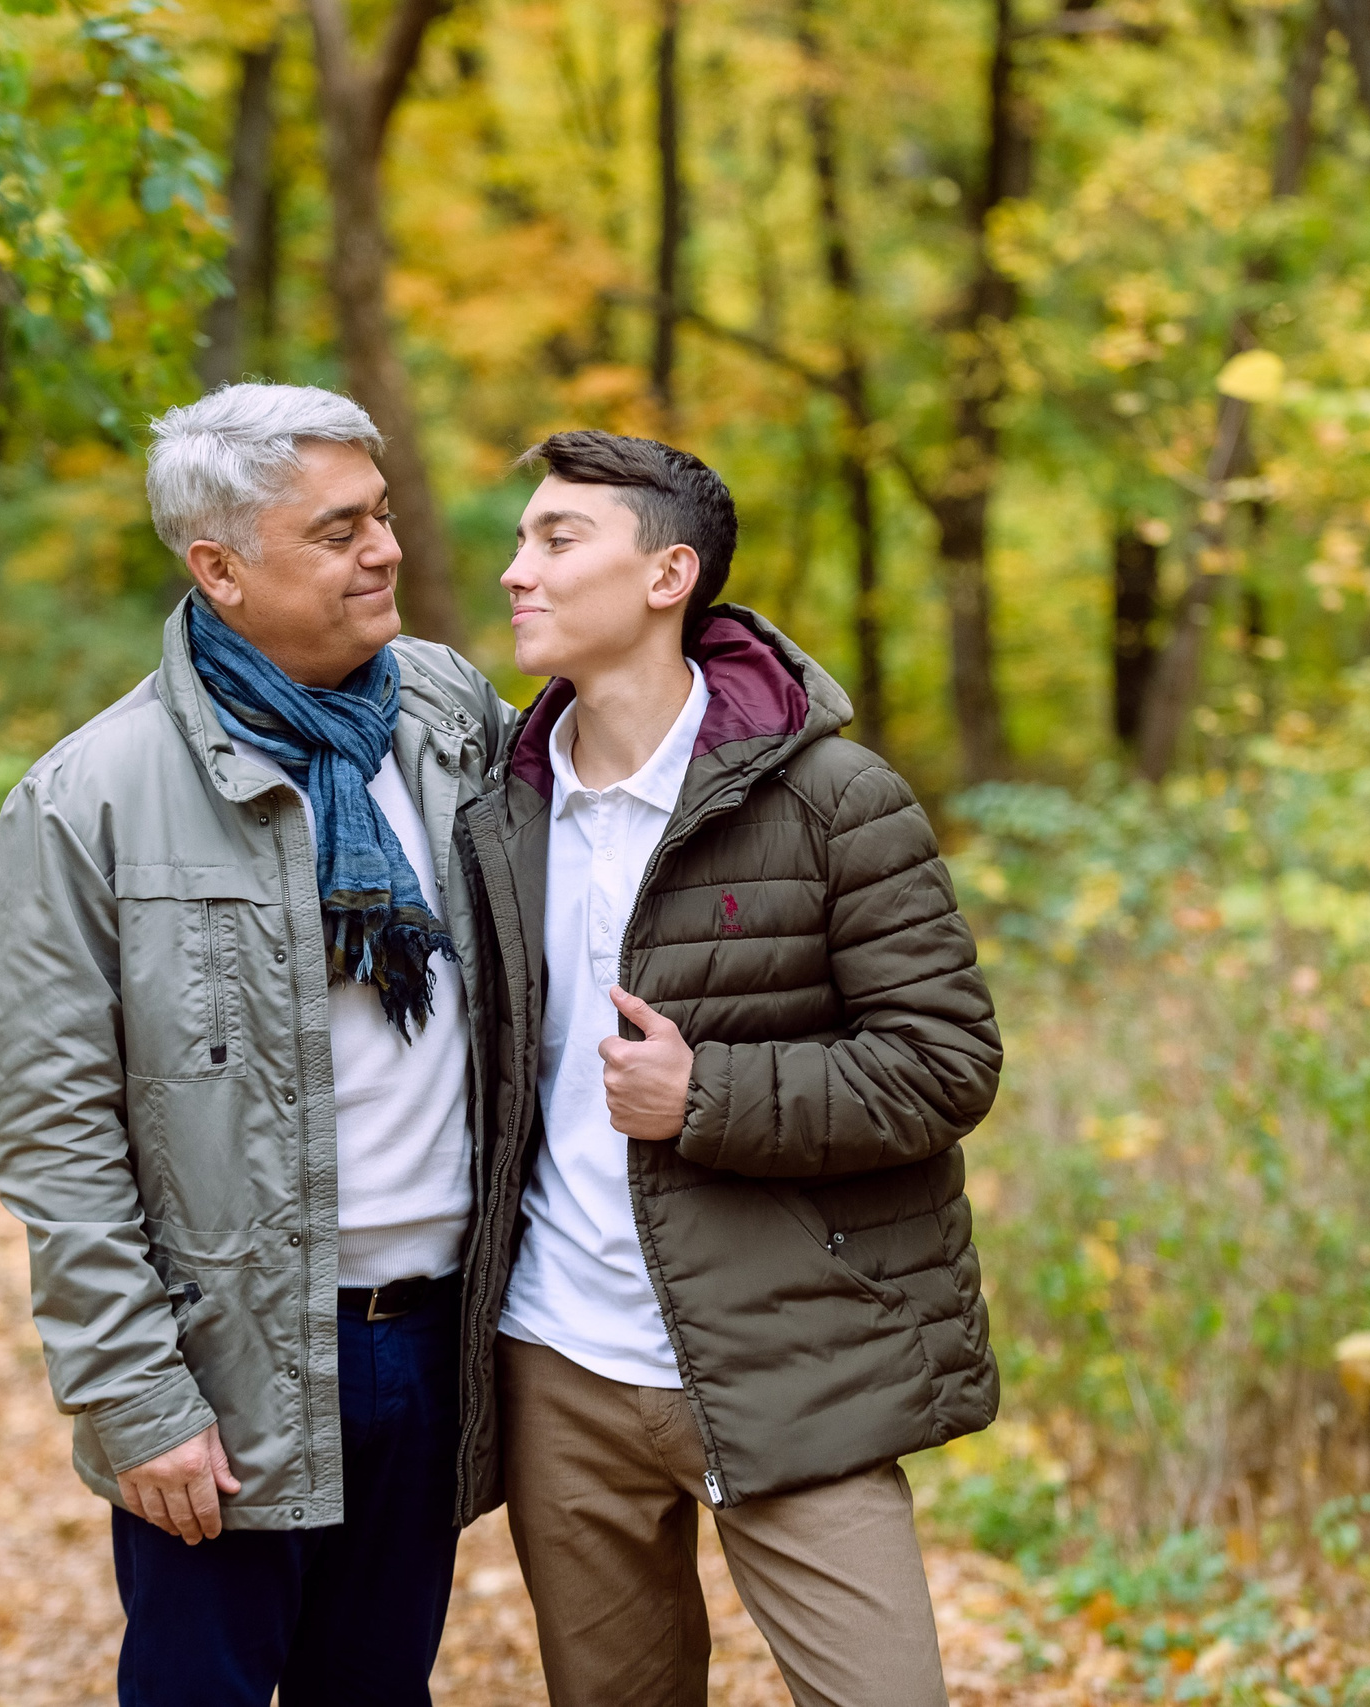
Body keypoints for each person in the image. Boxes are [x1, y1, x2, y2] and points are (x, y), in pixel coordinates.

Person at [0, 383, 510, 1706]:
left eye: (380, 515)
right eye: (338, 531)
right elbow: (56, 1135)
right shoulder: (87, 798)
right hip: (229, 1359)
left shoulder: (449, 719)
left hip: (436, 1338)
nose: (385, 550)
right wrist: (134, 1396)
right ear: (219, 569)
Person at [452, 430, 1004, 1707]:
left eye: (557, 539)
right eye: (522, 539)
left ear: (668, 576)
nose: (516, 571)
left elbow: (944, 1064)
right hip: (558, 1363)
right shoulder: (496, 809)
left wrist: (704, 1098)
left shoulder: (836, 799)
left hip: (789, 1354)